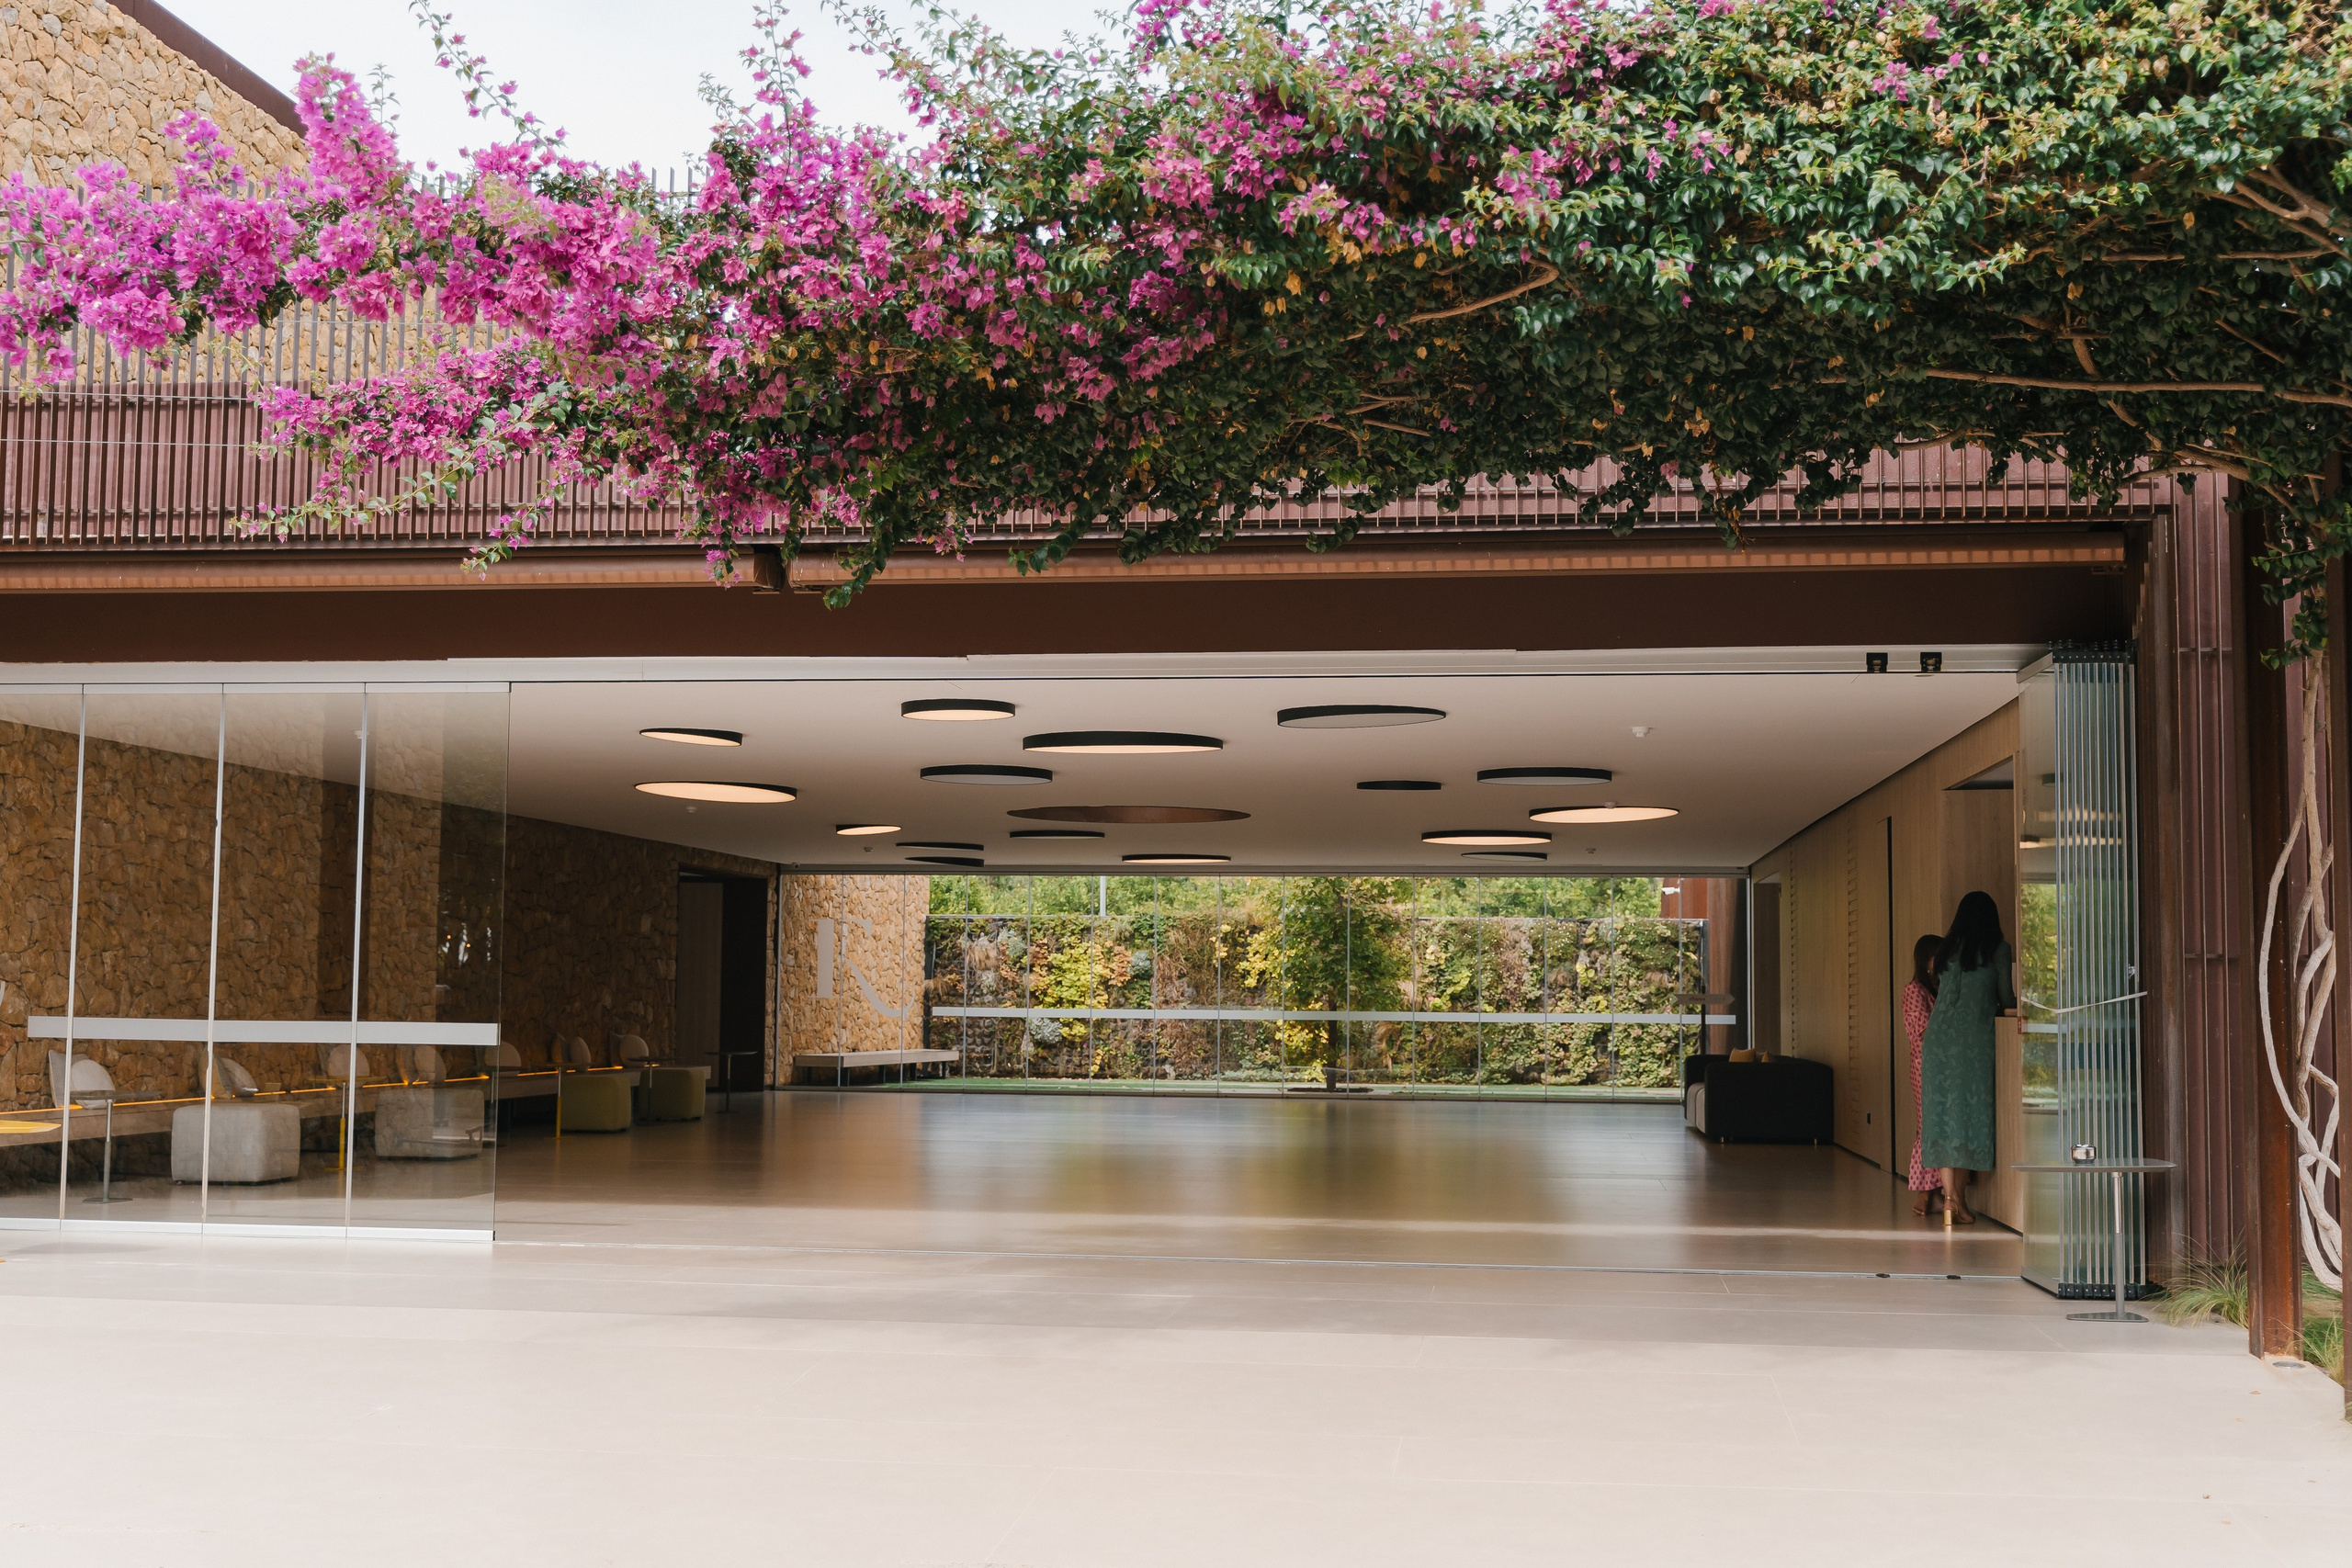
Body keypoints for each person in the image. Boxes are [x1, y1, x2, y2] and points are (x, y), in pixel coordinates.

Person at [1919, 891, 2013, 1224]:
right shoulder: (1998, 949)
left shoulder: (1946, 949)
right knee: (1967, 1117)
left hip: (1938, 1040)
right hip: (1974, 1042)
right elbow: (2006, 997)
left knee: (1944, 1118)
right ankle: (1956, 1201)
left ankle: (1952, 1200)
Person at [1899, 934, 1943, 1218]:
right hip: (1925, 1067)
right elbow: (1924, 1031)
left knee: (1938, 1126)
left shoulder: (1936, 989)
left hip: (1941, 1066)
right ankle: (1924, 1193)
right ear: (1926, 961)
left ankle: (1936, 1192)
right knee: (1927, 1127)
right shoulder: (1913, 990)